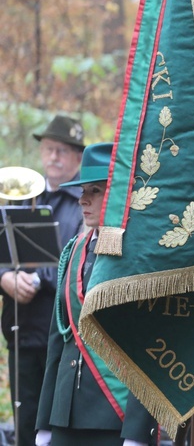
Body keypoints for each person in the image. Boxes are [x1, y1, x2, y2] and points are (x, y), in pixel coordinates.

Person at [35, 142, 158, 446]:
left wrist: (138, 431)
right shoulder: (73, 251)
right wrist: (45, 421)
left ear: (117, 196)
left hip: (112, 415)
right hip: (65, 414)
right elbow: (58, 340)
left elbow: (149, 346)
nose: (83, 200)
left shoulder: (139, 256)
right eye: (82, 192)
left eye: (95, 191)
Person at [0, 115, 85, 446]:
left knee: (56, 421)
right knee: (24, 416)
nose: (53, 157)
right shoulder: (22, 196)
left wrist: (37, 278)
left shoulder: (84, 201)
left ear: (78, 157)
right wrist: (6, 278)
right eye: (49, 149)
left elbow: (77, 257)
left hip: (62, 330)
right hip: (21, 326)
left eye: (62, 151)